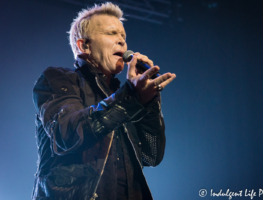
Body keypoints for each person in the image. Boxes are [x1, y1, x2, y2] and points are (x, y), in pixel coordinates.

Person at [31, 2, 176, 200]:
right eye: (111, 34)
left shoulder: (123, 93)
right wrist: (130, 95)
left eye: (123, 37)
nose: (122, 42)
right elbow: (68, 134)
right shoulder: (58, 79)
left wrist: (149, 100)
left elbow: (151, 156)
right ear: (84, 46)